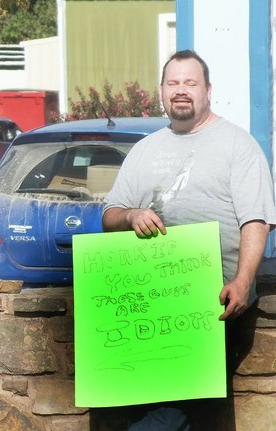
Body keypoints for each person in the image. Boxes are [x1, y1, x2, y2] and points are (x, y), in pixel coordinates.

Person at [102, 50, 276, 428]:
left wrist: (243, 282)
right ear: (162, 91)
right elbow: (109, 215)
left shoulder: (237, 145)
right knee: (144, 407)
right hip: (147, 306)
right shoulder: (144, 150)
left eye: (190, 83)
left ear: (208, 90)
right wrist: (130, 215)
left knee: (174, 413)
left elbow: (256, 221)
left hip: (209, 305)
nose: (181, 91)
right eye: (173, 83)